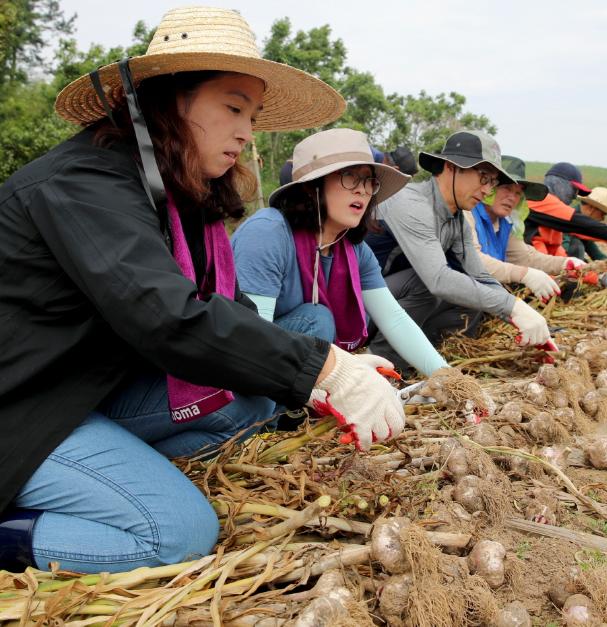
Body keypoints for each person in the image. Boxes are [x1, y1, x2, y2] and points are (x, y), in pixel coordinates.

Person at [0, 6, 404, 574]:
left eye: (253, 115)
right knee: (179, 532)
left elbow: (222, 308)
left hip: (92, 385)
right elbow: (166, 315)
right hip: (25, 403)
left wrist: (331, 367)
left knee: (248, 403)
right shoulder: (85, 184)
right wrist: (323, 372)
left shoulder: (175, 197)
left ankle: (113, 474)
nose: (246, 130)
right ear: (168, 100)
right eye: (233, 107)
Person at [232, 128, 449, 376]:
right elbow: (253, 338)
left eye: (369, 181)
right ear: (310, 187)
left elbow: (395, 319)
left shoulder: (355, 251)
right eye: (349, 177)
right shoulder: (268, 233)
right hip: (240, 373)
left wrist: (450, 379)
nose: (362, 190)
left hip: (289, 371)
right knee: (317, 319)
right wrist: (344, 372)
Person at [365, 130, 553, 371]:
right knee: (430, 284)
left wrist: (519, 314)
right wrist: (511, 306)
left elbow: (481, 276)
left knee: (473, 294)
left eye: (493, 182)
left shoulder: (456, 218)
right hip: (358, 306)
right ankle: (384, 365)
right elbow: (438, 280)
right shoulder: (412, 203)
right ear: (451, 167)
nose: (487, 190)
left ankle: (431, 357)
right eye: (483, 178)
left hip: (393, 305)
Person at [463, 155, 586, 300]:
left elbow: (526, 258)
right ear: (488, 186)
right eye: (506, 188)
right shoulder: (467, 213)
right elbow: (474, 261)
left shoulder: (505, 224)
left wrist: (565, 263)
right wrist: (524, 274)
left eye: (518, 193)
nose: (512, 197)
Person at [524, 162, 607, 263]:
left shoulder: (553, 220)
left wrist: (595, 277)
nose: (573, 196)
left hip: (540, 268)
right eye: (573, 190)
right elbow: (578, 224)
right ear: (558, 183)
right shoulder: (540, 199)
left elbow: (559, 257)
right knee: (576, 246)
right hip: (528, 271)